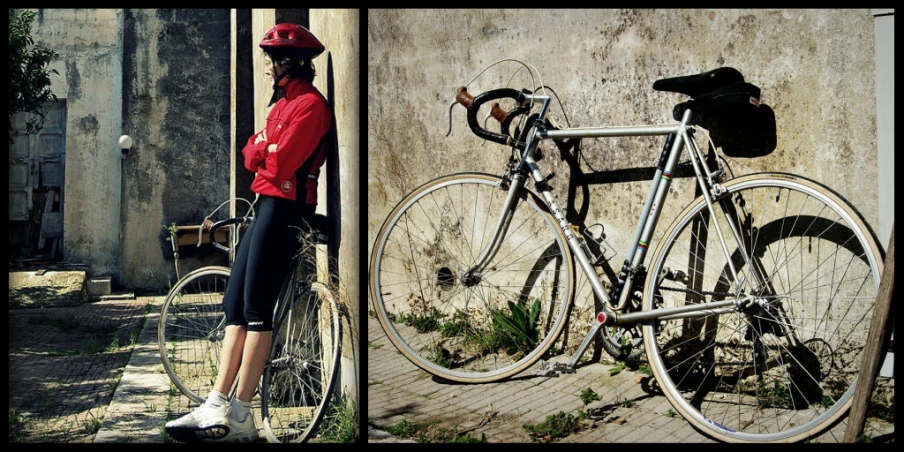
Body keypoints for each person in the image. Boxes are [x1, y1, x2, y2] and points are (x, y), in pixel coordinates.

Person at [165, 22, 333, 443]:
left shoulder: (312, 106)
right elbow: (251, 153)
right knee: (235, 306)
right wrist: (266, 149)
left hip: (287, 208)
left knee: (258, 308)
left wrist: (267, 150)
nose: (270, 68)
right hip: (266, 205)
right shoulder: (280, 106)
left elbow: (279, 163)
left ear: (292, 63)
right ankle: (216, 403)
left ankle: (241, 414)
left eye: (274, 60)